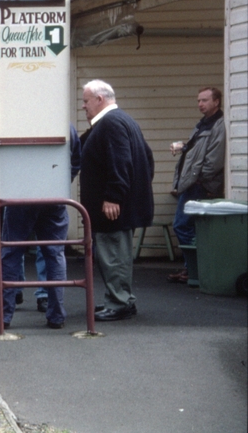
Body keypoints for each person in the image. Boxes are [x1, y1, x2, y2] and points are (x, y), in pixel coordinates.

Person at [0, 124, 81, 330]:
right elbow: (76, 159)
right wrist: (60, 181)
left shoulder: (16, 121)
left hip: (20, 195)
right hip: (54, 195)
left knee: (10, 253)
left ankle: (2, 315)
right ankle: (56, 314)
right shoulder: (64, 123)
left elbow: (3, 159)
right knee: (55, 254)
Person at [80, 80, 154, 321]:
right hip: (121, 205)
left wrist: (114, 196)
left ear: (100, 99)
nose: (83, 106)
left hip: (112, 208)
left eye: (86, 101)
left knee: (113, 256)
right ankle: (122, 299)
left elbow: (120, 162)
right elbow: (147, 159)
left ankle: (119, 302)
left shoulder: (110, 123)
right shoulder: (125, 120)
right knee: (117, 255)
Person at [167, 87, 226, 284]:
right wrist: (183, 146)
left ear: (216, 102)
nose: (200, 104)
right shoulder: (203, 124)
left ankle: (196, 268)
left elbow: (214, 160)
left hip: (199, 184)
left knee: (181, 225)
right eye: (199, 100)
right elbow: (197, 150)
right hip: (193, 182)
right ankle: (191, 267)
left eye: (205, 100)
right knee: (189, 226)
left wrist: (200, 180)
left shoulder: (218, 124)